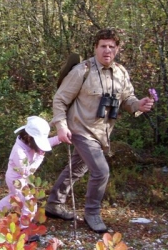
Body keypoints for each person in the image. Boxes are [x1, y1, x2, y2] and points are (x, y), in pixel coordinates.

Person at [45, 28, 154, 233]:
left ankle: (53, 205)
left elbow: (128, 100)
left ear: (117, 49)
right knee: (101, 171)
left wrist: (139, 104)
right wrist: (60, 126)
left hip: (101, 133)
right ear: (95, 47)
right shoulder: (82, 70)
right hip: (80, 129)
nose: (107, 50)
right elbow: (60, 99)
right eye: (103, 46)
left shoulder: (121, 73)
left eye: (111, 47)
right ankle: (92, 213)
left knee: (77, 167)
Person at [0, 116, 61, 233]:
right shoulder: (19, 151)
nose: (39, 147)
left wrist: (59, 138)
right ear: (29, 137)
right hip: (17, 179)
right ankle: (24, 230)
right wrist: (40, 156)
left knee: (14, 199)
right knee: (30, 203)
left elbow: (47, 142)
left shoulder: (29, 142)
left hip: (19, 178)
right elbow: (27, 171)